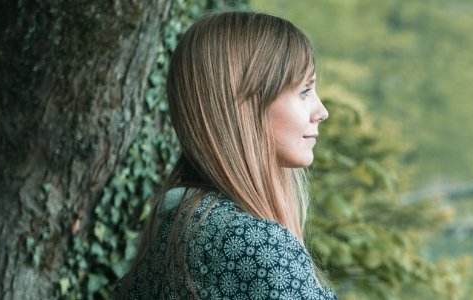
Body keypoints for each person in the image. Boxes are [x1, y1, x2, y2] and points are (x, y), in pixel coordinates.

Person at [115, 11, 334, 299]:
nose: (321, 112)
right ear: (242, 105)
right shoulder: (258, 247)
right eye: (304, 90)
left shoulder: (176, 231)